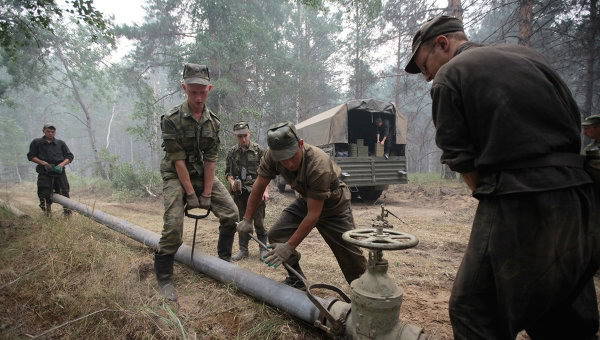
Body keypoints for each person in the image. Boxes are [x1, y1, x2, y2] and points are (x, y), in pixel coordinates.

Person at [405, 15, 600, 340]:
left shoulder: (450, 76)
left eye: (424, 64)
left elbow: (461, 159)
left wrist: (493, 200)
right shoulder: (529, 56)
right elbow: (572, 118)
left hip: (517, 200)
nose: (426, 76)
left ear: (442, 43)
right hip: (579, 198)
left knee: (474, 311)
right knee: (565, 312)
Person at [236, 122, 366, 290]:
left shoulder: (318, 164)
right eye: (282, 159)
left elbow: (313, 215)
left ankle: (365, 294)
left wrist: (289, 247)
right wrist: (247, 219)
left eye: (292, 156)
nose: (288, 163)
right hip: (307, 199)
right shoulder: (271, 156)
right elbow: (258, 186)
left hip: (334, 206)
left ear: (301, 144)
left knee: (350, 254)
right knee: (277, 235)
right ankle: (297, 280)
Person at [155, 63, 238, 301]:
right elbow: (178, 160)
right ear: (184, 88)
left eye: (202, 91)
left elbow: (211, 160)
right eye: (193, 91)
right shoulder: (171, 119)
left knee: (231, 213)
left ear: (209, 89)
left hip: (202, 174)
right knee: (173, 226)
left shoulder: (214, 122)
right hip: (175, 173)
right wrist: (191, 195)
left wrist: (208, 194)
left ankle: (224, 261)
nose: (198, 97)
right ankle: (164, 278)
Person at [225, 121, 269, 261]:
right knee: (242, 222)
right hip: (240, 193)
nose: (243, 139)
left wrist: (265, 190)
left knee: (259, 221)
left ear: (250, 134)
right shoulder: (232, 153)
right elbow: (228, 173)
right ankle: (243, 250)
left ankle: (263, 249)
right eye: (240, 137)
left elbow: (268, 173)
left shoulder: (259, 151)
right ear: (236, 137)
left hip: (256, 191)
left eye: (245, 136)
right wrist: (232, 183)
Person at [26, 124, 73, 216]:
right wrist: (43, 163)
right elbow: (31, 156)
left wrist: (61, 164)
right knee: (44, 193)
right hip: (44, 172)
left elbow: (70, 156)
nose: (51, 133)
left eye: (53, 131)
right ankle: (47, 215)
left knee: (64, 192)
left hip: (59, 173)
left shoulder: (60, 143)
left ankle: (67, 214)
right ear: (43, 131)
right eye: (48, 131)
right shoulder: (37, 142)